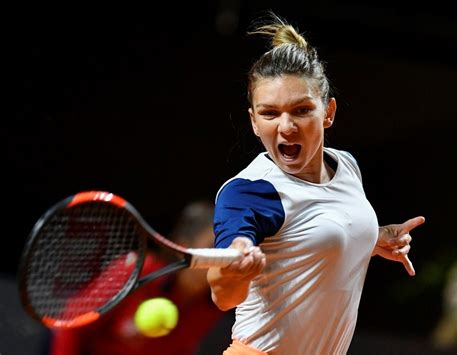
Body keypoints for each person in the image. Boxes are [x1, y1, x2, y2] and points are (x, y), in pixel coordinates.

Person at [207, 13, 426, 355]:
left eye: (301, 110)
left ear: (328, 112)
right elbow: (223, 296)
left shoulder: (346, 166)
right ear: (253, 121)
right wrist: (234, 269)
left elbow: (317, 231)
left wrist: (373, 237)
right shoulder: (249, 191)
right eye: (269, 113)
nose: (286, 126)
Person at [49, 200, 225, 355]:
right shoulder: (138, 271)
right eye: (213, 245)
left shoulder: (214, 304)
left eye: (226, 248)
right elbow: (73, 327)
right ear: (185, 249)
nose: (222, 257)